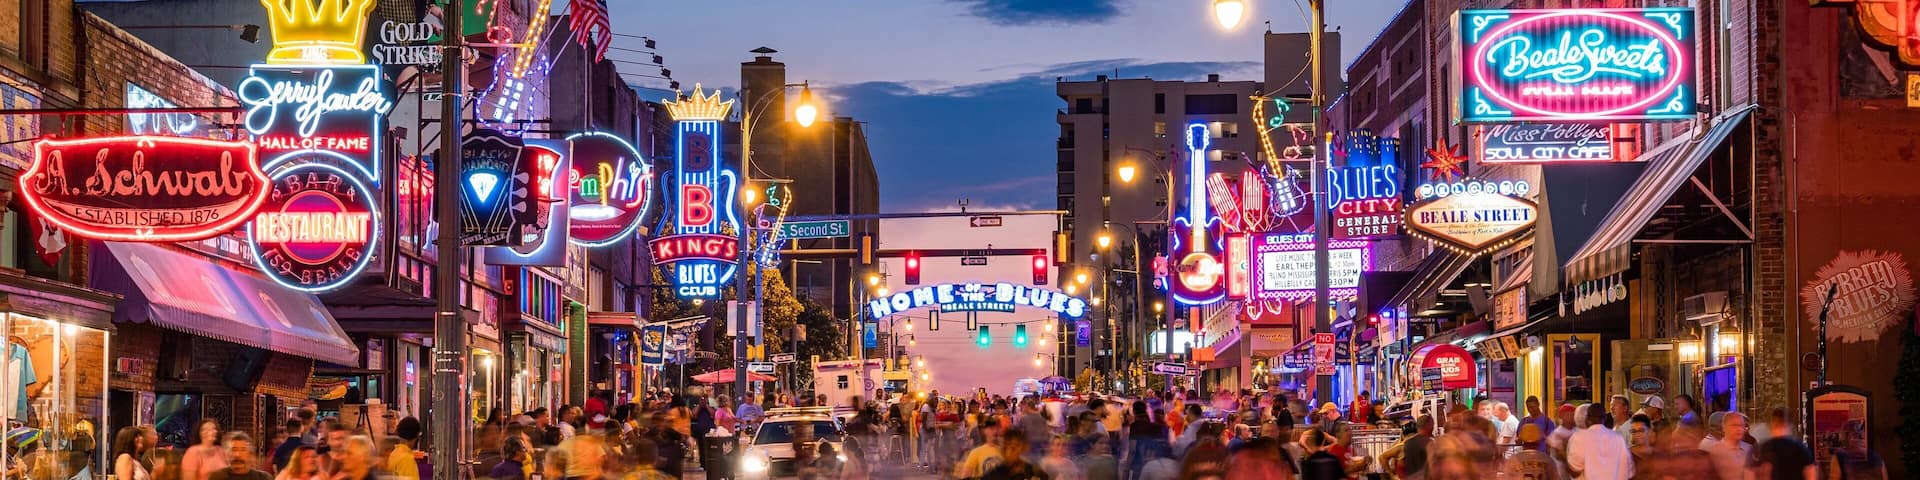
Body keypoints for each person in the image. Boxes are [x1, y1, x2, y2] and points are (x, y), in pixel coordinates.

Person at [1567, 403, 1632, 480]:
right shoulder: (1618, 438)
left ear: (1587, 418)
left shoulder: (1579, 437)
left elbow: (1575, 470)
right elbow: (1628, 470)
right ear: (1604, 418)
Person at [1750, 409, 1815, 480]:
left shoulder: (1767, 447)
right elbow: (1810, 471)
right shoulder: (1800, 447)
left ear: (1773, 424)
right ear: (1790, 425)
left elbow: (1765, 472)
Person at [1379, 415, 1432, 479]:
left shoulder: (1402, 445)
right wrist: (1391, 474)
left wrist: (1391, 475)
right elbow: (1383, 458)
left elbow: (1382, 458)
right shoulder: (1400, 445)